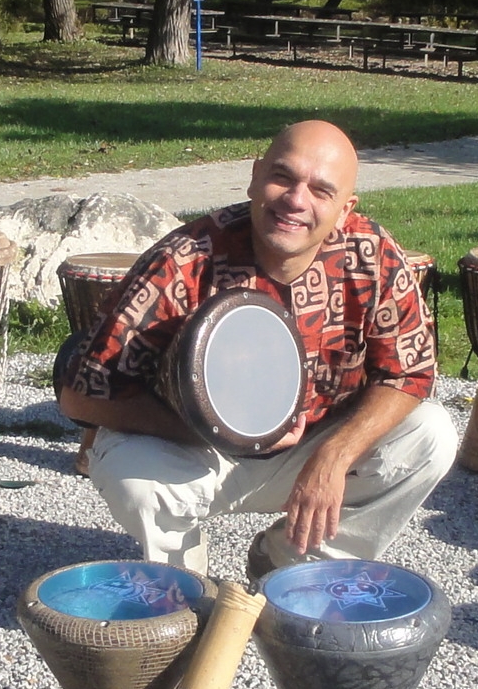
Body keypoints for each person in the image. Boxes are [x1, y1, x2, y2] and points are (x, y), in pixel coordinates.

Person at [58, 120, 457, 578]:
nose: (296, 200)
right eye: (283, 177)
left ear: (345, 209)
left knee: (431, 435)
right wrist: (205, 430)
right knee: (136, 480)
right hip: (194, 452)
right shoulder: (186, 258)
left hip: (307, 451)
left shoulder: (372, 255)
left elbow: (409, 374)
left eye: (321, 191)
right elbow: (80, 394)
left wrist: (334, 456)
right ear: (254, 176)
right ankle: (187, 589)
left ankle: (291, 566)